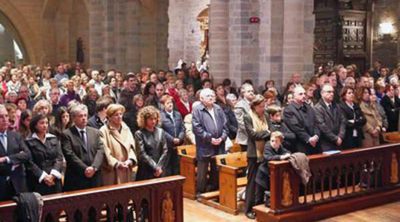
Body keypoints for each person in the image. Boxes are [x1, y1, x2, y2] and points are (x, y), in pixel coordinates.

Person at [192, 88, 228, 195]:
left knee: (216, 169)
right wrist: (210, 139)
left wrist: (222, 138)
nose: (211, 97)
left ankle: (214, 189)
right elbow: (197, 128)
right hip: (205, 145)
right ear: (201, 98)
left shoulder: (218, 108)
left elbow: (225, 126)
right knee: (202, 171)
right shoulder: (198, 110)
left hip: (219, 144)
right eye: (208, 96)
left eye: (212, 95)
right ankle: (200, 192)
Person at [62, 104, 106, 191]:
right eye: (80, 116)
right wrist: (85, 169)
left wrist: (94, 167)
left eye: (85, 115)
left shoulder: (95, 132)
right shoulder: (67, 134)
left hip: (95, 177)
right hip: (76, 178)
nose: (84, 118)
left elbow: (100, 151)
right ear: (74, 118)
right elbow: (69, 154)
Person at [243, 95, 271, 219]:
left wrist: (265, 134)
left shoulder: (266, 116)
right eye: (260, 106)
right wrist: (266, 133)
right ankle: (248, 208)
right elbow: (253, 135)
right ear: (254, 106)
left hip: (266, 152)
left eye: (264, 106)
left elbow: (271, 131)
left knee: (262, 182)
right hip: (254, 154)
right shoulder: (248, 116)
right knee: (252, 182)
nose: (263, 108)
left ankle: (259, 206)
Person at [25, 114, 64, 195]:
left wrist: (52, 175)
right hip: (38, 181)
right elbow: (30, 162)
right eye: (42, 123)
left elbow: (59, 158)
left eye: (46, 123)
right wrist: (44, 177)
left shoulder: (53, 138)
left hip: (54, 179)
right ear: (35, 125)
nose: (45, 125)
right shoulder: (28, 142)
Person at [0, 104, 31, 201]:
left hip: (18, 186)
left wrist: (7, 159)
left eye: (6, 115)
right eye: (1, 117)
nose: (5, 119)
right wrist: (16, 161)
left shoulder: (16, 136)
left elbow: (27, 155)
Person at [255, 132, 291, 206]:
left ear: (280, 142)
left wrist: (287, 154)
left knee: (271, 194)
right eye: (272, 141)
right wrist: (280, 157)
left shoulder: (280, 147)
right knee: (259, 196)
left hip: (271, 175)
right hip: (262, 175)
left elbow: (287, 152)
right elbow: (268, 157)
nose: (274, 143)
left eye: (276, 141)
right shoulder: (268, 146)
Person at [283, 86, 321, 155]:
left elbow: (316, 123)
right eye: (300, 94)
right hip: (300, 145)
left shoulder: (309, 107)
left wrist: (316, 135)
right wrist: (308, 139)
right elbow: (296, 128)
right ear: (294, 96)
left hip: (315, 143)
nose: (303, 96)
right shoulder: (288, 110)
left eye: (304, 94)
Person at [135, 106, 169, 180]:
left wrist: (159, 167)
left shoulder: (160, 131)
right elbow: (142, 154)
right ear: (144, 120)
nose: (153, 121)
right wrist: (155, 167)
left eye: (155, 119)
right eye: (151, 119)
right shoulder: (139, 133)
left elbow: (165, 151)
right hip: (146, 170)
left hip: (160, 169)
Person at [314, 84, 346, 151]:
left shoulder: (336, 106)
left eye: (332, 92)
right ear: (322, 93)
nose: (332, 94)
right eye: (329, 92)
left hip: (339, 141)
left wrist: (340, 136)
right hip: (326, 144)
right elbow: (322, 126)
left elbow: (343, 121)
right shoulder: (317, 108)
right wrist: (335, 138)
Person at [160, 95, 185, 176]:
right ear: (163, 105)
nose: (170, 105)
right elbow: (161, 130)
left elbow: (182, 127)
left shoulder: (177, 114)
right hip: (167, 145)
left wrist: (180, 138)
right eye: (167, 103)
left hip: (178, 144)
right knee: (167, 168)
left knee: (177, 167)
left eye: (171, 103)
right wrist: (172, 139)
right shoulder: (160, 116)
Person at [234, 83, 255, 151]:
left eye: (252, 91)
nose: (251, 93)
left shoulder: (255, 103)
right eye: (249, 91)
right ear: (243, 93)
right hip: (246, 138)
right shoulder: (239, 105)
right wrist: (253, 133)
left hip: (257, 136)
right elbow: (241, 124)